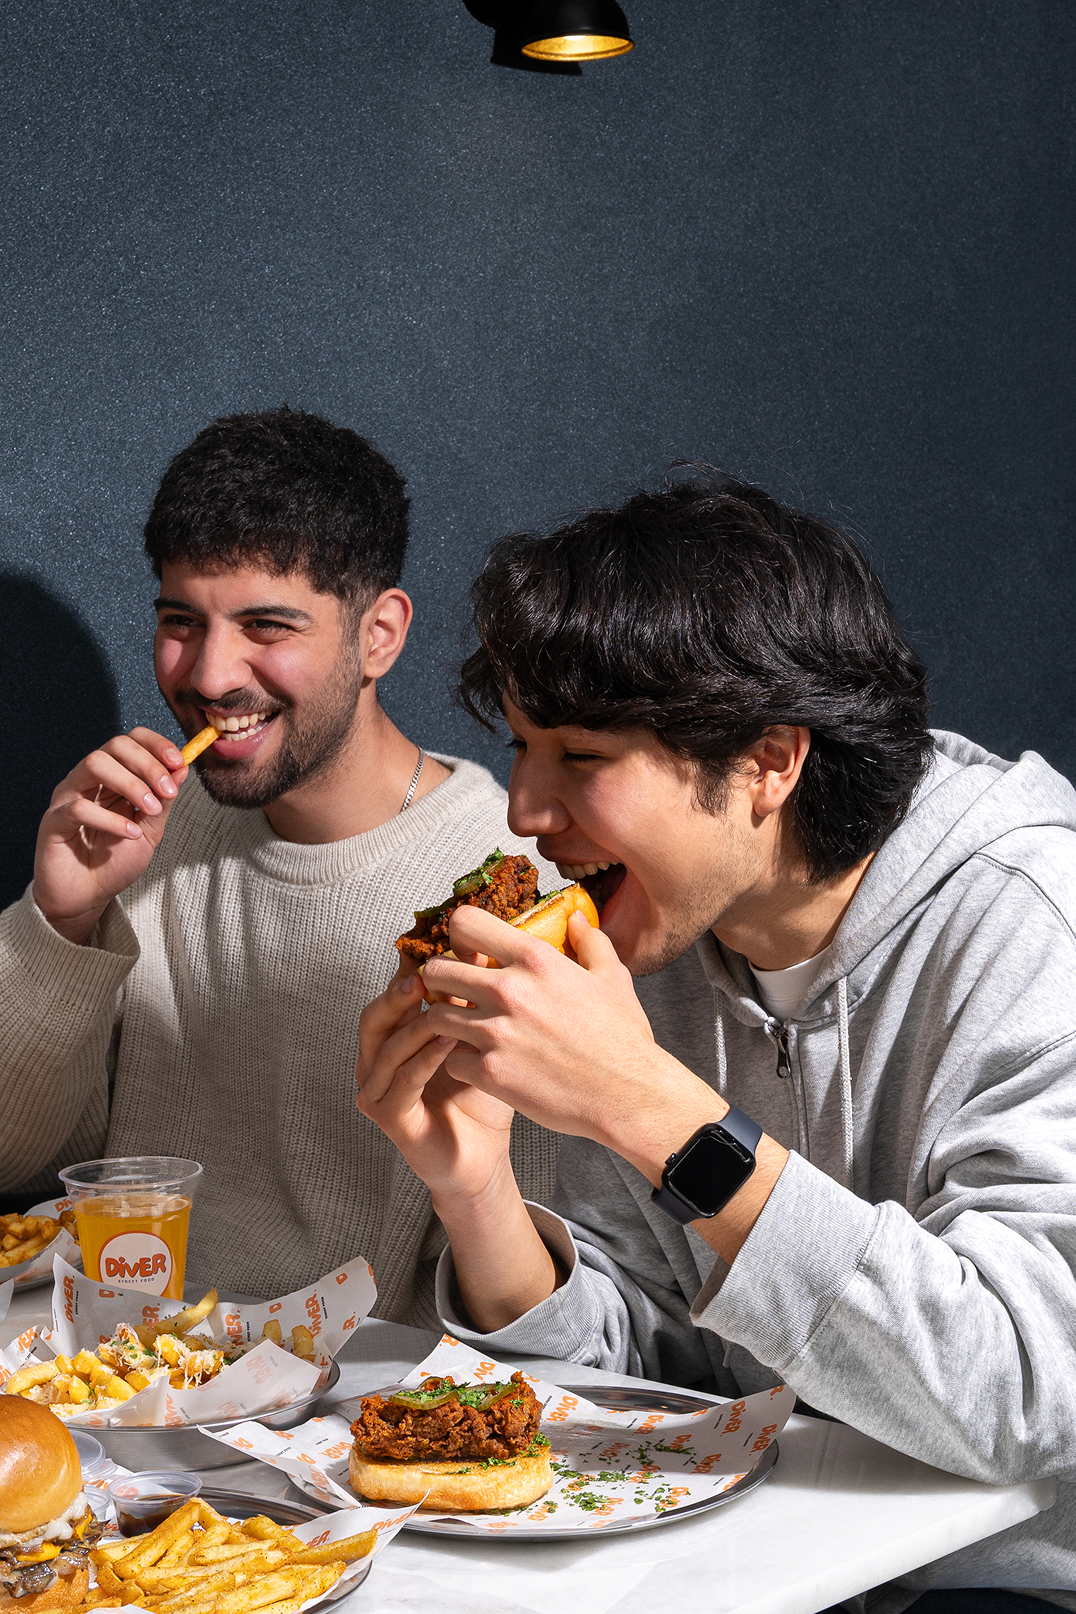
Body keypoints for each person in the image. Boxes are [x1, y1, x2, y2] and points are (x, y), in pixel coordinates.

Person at [357, 474, 1076, 1611]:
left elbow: (1027, 1395)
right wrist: (478, 1192)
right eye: (523, 749)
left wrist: (654, 1111)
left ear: (769, 762)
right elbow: (651, 1378)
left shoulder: (1031, 923)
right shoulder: (654, 939)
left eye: (579, 757)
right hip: (765, 1566)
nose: (523, 812)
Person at [0, 407, 559, 1319]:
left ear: (379, 635)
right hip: (118, 1368)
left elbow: (534, 1295)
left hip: (361, 1387)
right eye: (181, 621)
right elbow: (17, 1157)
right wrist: (56, 921)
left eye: (266, 626)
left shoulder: (515, 886)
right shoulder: (144, 836)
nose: (210, 674)